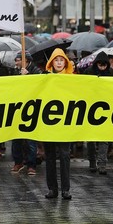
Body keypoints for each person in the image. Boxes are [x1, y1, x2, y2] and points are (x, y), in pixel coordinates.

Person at [43, 48, 74, 200]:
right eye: (57, 60)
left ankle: (65, 189)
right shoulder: (44, 78)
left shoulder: (73, 79)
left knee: (64, 155)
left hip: (65, 123)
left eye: (62, 60)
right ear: (52, 62)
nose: (59, 63)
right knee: (49, 156)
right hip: (48, 123)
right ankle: (52, 189)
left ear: (66, 62)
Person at [86, 52, 113, 175]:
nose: (102, 67)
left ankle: (102, 164)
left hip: (106, 109)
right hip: (90, 109)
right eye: (100, 65)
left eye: (104, 65)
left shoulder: (112, 74)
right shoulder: (88, 72)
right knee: (91, 139)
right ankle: (92, 162)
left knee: (103, 138)